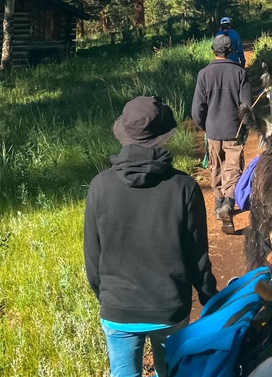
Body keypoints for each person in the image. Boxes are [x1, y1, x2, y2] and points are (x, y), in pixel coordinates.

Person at [84, 96, 218, 377]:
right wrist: (209, 296)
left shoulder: (99, 186)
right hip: (168, 308)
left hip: (117, 308)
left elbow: (92, 258)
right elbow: (198, 255)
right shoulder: (184, 187)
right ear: (163, 138)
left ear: (124, 134)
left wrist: (107, 297)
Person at [192, 34, 252, 234]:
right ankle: (229, 202)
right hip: (234, 129)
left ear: (213, 50)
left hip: (213, 130)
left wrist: (204, 126)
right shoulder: (239, 73)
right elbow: (246, 105)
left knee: (216, 165)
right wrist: (245, 126)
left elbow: (197, 109)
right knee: (233, 168)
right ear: (231, 51)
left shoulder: (203, 74)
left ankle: (219, 202)